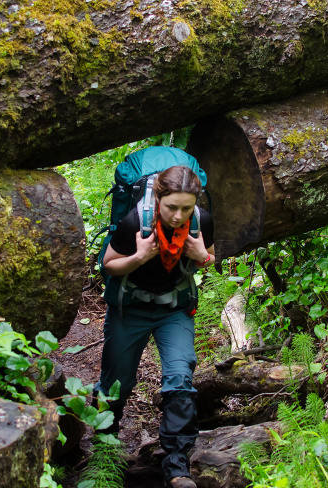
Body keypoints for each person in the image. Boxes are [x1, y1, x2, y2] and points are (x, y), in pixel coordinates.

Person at [96, 165, 215, 488]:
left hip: (174, 310)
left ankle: (177, 465)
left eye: (185, 208)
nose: (178, 216)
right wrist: (139, 257)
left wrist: (202, 255)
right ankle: (103, 449)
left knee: (180, 375)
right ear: (158, 199)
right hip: (130, 309)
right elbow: (108, 264)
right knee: (117, 381)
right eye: (171, 207)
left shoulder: (200, 221)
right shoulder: (135, 221)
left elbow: (209, 257)